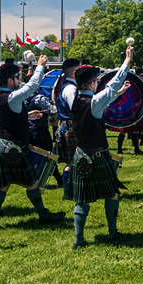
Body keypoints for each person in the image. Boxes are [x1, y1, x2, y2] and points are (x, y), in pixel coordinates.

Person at [0, 56, 65, 232]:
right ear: (9, 80)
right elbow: (32, 86)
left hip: (1, 145)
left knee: (2, 185)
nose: (18, 81)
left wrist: (27, 116)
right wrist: (40, 67)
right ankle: (43, 215)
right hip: (15, 147)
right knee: (32, 183)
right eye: (16, 78)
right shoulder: (13, 96)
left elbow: (9, 117)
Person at [68, 48, 133, 249]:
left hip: (80, 155)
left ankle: (79, 240)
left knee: (82, 199)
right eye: (97, 81)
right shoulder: (94, 101)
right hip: (97, 155)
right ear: (92, 83)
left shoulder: (75, 100)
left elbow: (103, 101)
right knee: (112, 193)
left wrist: (117, 93)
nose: (99, 83)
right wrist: (127, 61)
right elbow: (112, 86)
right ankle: (112, 233)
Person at [54, 58, 81, 198]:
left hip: (69, 125)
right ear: (74, 72)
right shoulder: (70, 88)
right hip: (71, 125)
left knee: (74, 160)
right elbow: (75, 109)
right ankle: (68, 192)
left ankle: (70, 191)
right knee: (72, 161)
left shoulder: (69, 86)